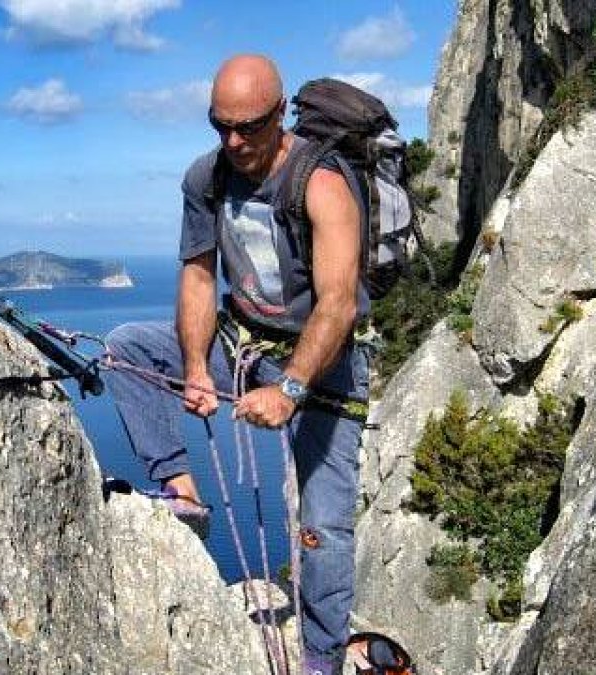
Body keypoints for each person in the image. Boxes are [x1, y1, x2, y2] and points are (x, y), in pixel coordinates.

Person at [103, 53, 369, 675]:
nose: (234, 140)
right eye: (220, 125)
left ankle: (321, 658)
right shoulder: (207, 178)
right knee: (124, 348)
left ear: (280, 115)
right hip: (243, 345)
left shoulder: (321, 182)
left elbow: (338, 304)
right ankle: (182, 491)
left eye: (248, 126)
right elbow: (198, 274)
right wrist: (196, 367)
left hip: (325, 364)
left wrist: (291, 390)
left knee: (321, 529)